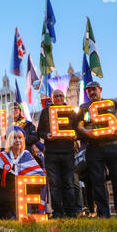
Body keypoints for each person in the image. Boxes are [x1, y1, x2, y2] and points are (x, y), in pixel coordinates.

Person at [76, 81, 117, 218]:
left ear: (100, 89)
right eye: (88, 90)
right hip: (94, 148)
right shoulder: (83, 108)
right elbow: (79, 125)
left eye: (94, 89)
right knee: (97, 181)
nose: (91, 92)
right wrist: (84, 132)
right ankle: (103, 213)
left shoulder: (112, 104)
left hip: (113, 145)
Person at [0, 126, 45, 219]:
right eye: (14, 138)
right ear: (9, 140)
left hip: (24, 191)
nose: (18, 140)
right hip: (5, 190)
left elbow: (40, 175)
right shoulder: (1, 156)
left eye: (20, 138)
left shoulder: (26, 155)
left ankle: (34, 211)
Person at [38, 89, 77, 218]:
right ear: (52, 98)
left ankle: (71, 212)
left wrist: (75, 136)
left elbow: (78, 129)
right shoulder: (45, 112)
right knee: (54, 184)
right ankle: (58, 212)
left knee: (69, 183)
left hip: (68, 152)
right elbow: (40, 132)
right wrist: (46, 136)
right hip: (51, 153)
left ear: (64, 97)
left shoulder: (71, 112)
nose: (59, 98)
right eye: (56, 96)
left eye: (61, 95)